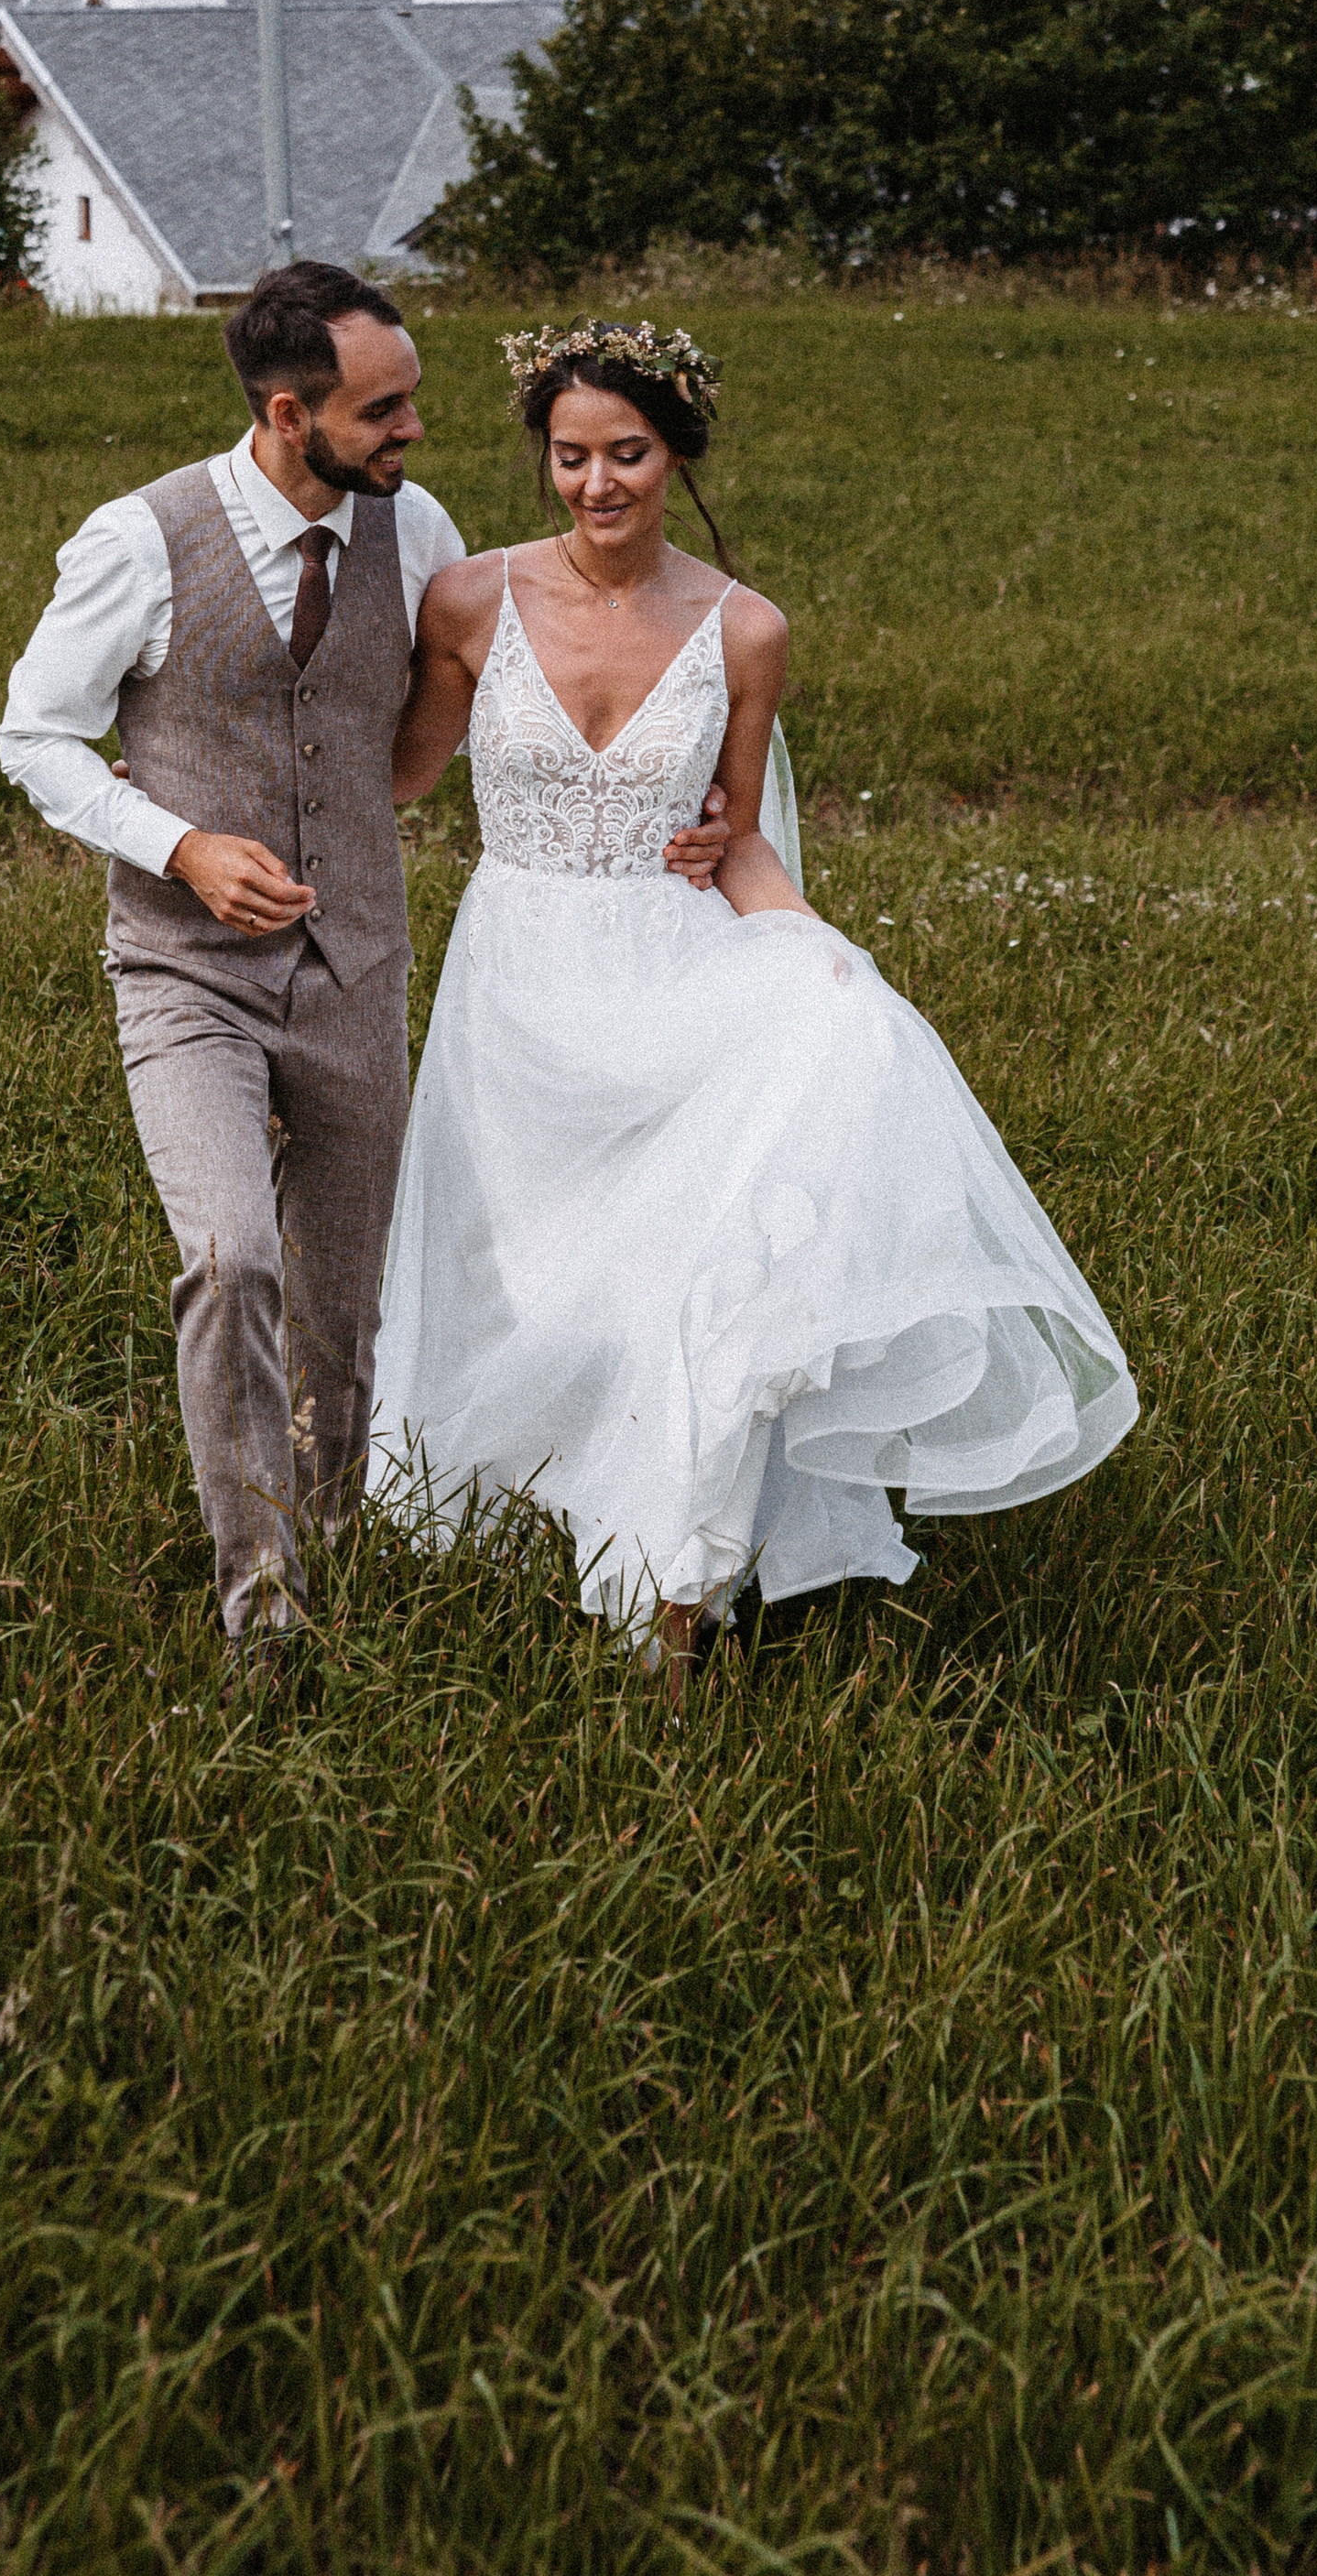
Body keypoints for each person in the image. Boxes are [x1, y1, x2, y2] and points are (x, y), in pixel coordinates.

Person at [372, 318, 1139, 1699]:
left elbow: (733, 837)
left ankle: (672, 1580)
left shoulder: (743, 627)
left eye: (627, 455)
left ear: (676, 454)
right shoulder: (471, 602)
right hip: (520, 992)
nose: (598, 485)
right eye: (570, 457)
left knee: (690, 1273)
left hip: (673, 975)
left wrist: (823, 956)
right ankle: (532, 1506)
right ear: (541, 459)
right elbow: (401, 779)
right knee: (535, 1286)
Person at [0, 260, 728, 1662]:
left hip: (359, 971)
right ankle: (260, 1603)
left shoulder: (421, 531)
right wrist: (181, 845)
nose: (413, 433)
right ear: (289, 414)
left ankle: (331, 1537)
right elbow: (32, 736)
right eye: (383, 411)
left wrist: (675, 791)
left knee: (347, 1304)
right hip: (184, 974)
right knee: (231, 1259)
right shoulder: (137, 542)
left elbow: (507, 691)